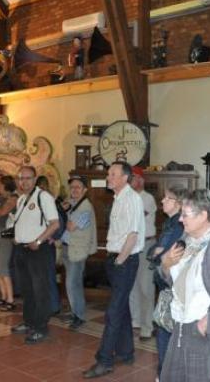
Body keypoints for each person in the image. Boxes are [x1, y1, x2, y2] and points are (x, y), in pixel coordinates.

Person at [159, 189, 210, 382]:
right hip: (180, 325)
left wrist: (206, 324)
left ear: (203, 215)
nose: (180, 219)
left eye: (185, 215)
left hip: (200, 331)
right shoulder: (189, 241)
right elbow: (174, 281)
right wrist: (166, 264)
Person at [83, 161, 145, 379]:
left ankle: (104, 360)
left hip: (124, 262)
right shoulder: (119, 198)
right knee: (122, 308)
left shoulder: (132, 199)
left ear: (125, 178)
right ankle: (126, 353)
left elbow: (133, 234)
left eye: (112, 174)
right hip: (117, 261)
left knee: (113, 312)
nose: (108, 177)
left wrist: (119, 260)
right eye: (109, 173)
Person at [10, 166, 59, 344]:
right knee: (27, 290)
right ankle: (29, 322)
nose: (24, 182)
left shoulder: (43, 197)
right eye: (21, 178)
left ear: (35, 178)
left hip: (38, 250)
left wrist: (38, 241)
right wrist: (16, 238)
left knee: (40, 290)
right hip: (22, 250)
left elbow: (54, 224)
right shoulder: (21, 199)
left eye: (28, 178)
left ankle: (41, 328)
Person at [148, 185, 187, 382]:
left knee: (166, 333)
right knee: (164, 330)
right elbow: (154, 250)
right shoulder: (169, 223)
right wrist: (157, 254)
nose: (162, 201)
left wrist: (158, 255)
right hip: (164, 285)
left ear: (178, 204)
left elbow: (164, 254)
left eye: (167, 198)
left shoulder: (178, 225)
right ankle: (164, 374)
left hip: (171, 287)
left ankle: (165, 375)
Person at [61, 175, 97, 330]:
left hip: (77, 250)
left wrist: (63, 213)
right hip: (68, 247)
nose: (74, 190)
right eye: (72, 187)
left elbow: (70, 227)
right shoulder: (74, 204)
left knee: (73, 284)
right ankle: (75, 311)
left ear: (85, 190)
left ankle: (79, 315)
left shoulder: (85, 207)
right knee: (71, 284)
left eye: (77, 187)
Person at [129, 166, 157, 341]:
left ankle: (148, 326)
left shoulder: (147, 198)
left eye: (133, 178)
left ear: (140, 180)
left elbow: (135, 217)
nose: (130, 181)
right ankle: (136, 321)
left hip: (146, 245)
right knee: (133, 286)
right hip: (132, 246)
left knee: (146, 287)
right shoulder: (128, 197)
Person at [0, 175, 18, 311]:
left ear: (6, 185)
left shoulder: (14, 198)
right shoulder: (0, 199)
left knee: (3, 266)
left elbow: (2, 212)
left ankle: (11, 300)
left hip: (6, 233)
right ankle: (3, 297)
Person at [36, 174, 61, 315]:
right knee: (44, 276)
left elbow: (58, 222)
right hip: (43, 241)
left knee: (48, 276)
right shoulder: (49, 199)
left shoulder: (49, 200)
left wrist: (53, 236)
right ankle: (48, 304)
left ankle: (53, 306)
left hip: (46, 242)